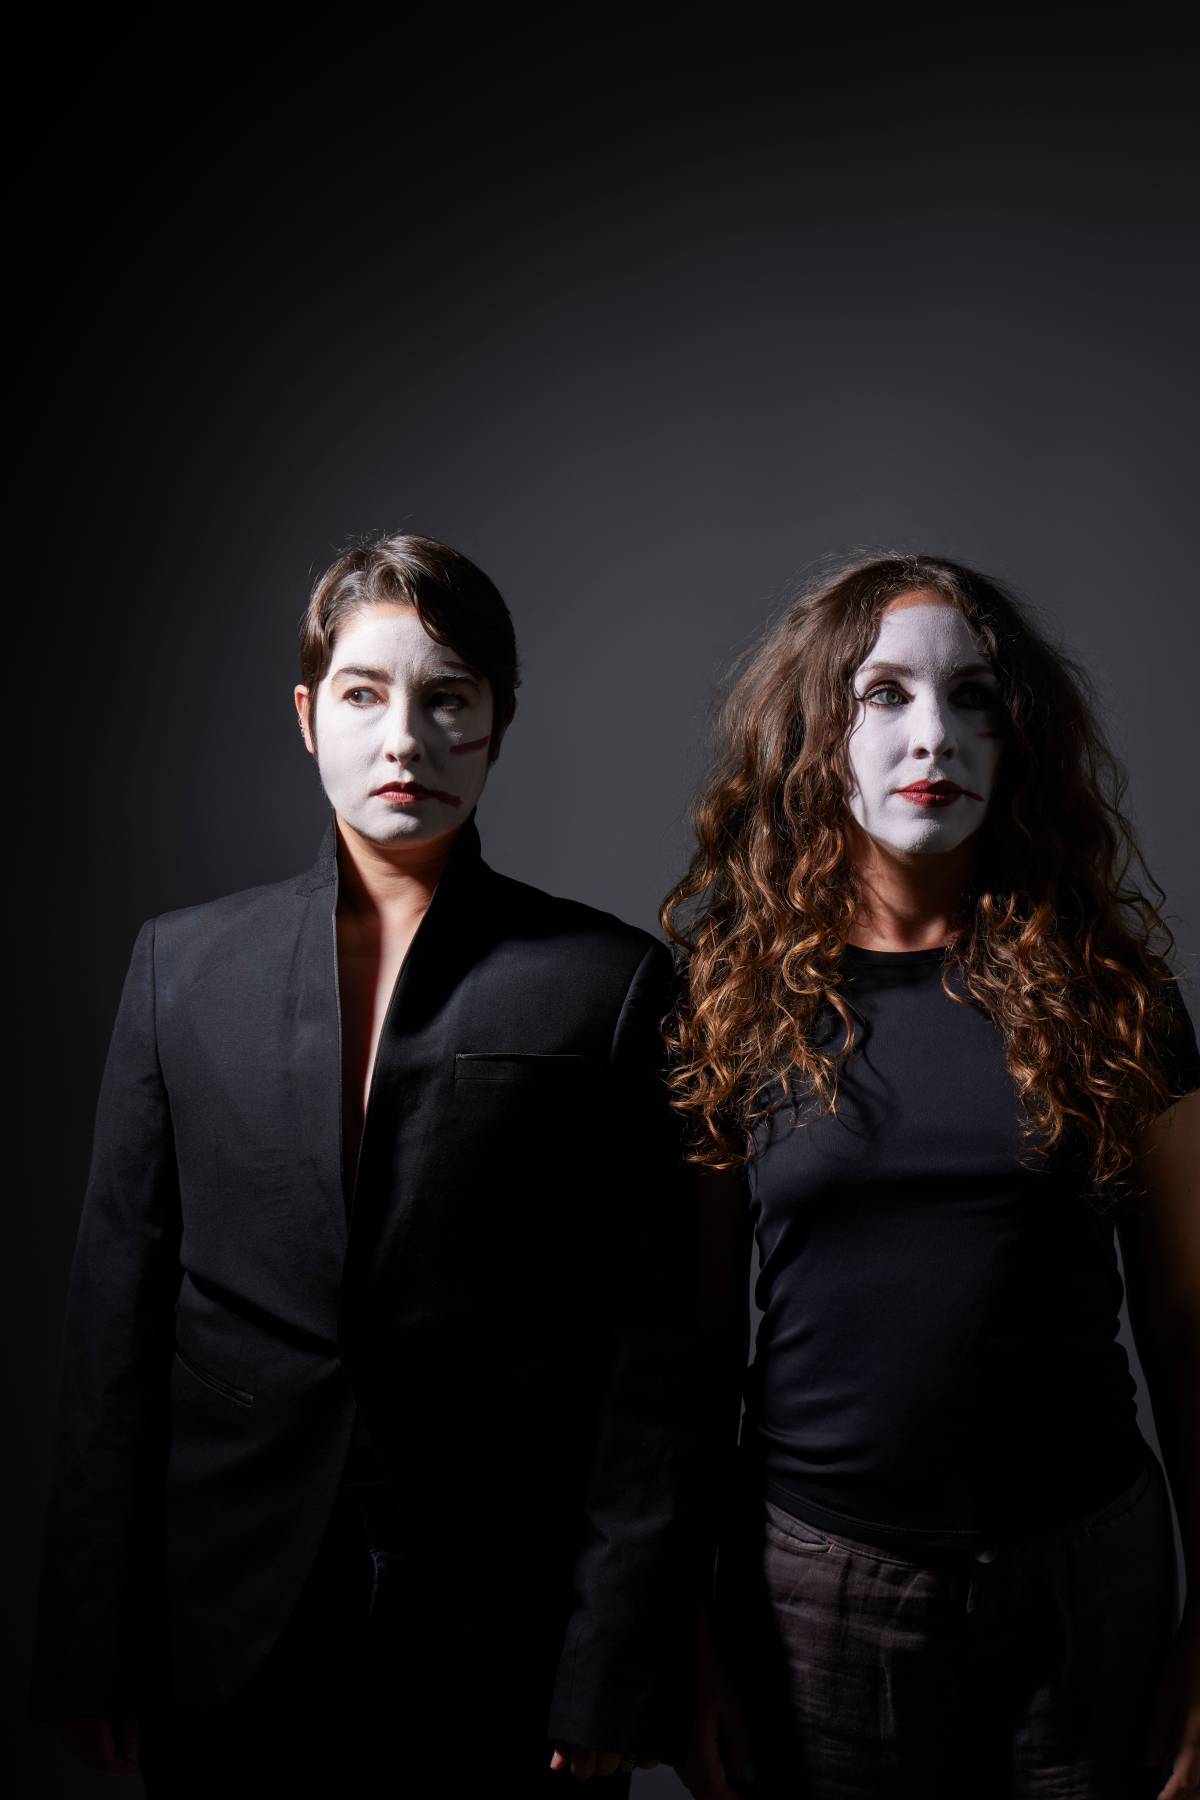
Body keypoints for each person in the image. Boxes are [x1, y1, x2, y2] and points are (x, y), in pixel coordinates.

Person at [31, 532, 695, 1794]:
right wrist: (87, 1645)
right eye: (365, 695)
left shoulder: (608, 987)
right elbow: (112, 1323)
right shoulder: (180, 968)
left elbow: (650, 1365)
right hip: (219, 1622)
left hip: (499, 1635)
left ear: (497, 722)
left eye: (449, 698)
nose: (407, 740)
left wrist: (611, 1669)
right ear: (307, 715)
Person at [663, 554, 1200, 1800]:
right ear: (814, 738)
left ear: (1018, 742)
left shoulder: (1116, 1000)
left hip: (1089, 1576)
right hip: (820, 1591)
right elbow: (687, 1350)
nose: (933, 737)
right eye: (883, 696)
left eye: (973, 700)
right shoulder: (731, 1003)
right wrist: (684, 1632)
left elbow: (1187, 1324)